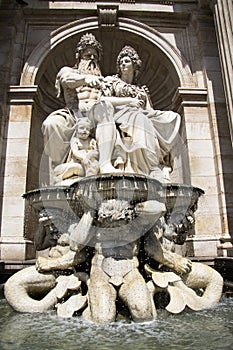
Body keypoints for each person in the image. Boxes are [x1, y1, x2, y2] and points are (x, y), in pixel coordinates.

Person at [41, 33, 119, 177]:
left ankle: (105, 163)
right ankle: (58, 169)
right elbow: (66, 80)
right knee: (51, 123)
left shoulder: (105, 80)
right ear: (79, 56)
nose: (92, 59)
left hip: (96, 118)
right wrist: (86, 79)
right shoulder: (69, 72)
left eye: (95, 56)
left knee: (105, 107)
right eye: (88, 55)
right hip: (73, 114)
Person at [99, 45, 181, 180]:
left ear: (134, 65)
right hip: (118, 115)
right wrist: (129, 101)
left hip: (141, 115)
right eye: (121, 62)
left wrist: (151, 114)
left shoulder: (141, 90)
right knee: (140, 120)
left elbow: (149, 110)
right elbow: (102, 100)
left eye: (126, 61)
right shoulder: (112, 81)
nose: (123, 64)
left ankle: (159, 162)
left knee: (172, 117)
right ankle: (151, 167)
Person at [53, 117, 99, 184]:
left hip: (89, 165)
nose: (85, 131)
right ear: (77, 130)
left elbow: (96, 152)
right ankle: (61, 177)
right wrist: (83, 158)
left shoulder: (92, 141)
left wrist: (90, 156)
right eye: (82, 128)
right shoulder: (75, 140)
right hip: (79, 164)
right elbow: (75, 152)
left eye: (87, 129)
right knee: (73, 168)